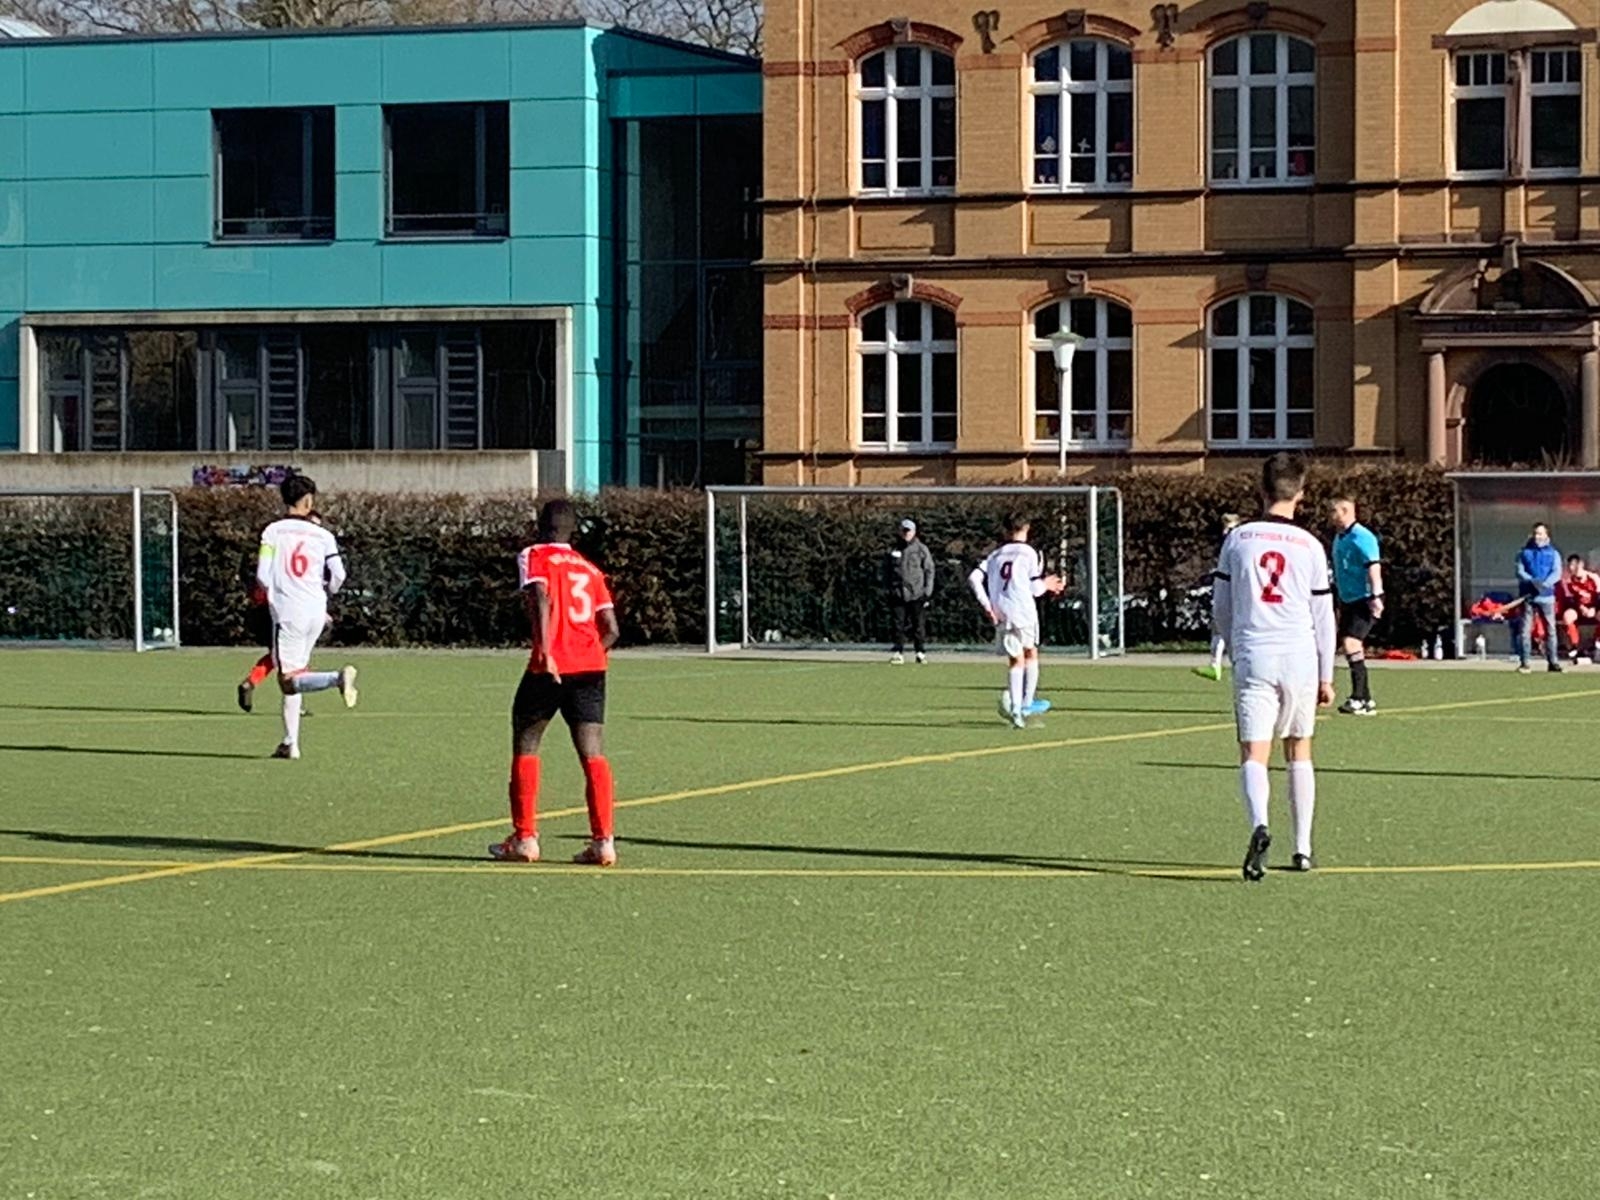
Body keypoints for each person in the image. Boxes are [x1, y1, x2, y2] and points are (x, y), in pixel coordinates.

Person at [1210, 453, 1336, 880]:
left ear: (1261, 490)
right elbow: (1323, 616)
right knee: (1299, 748)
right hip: (1299, 655)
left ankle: (1260, 825)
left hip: (1255, 652)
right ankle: (1303, 848)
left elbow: (1221, 607)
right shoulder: (1311, 545)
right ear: (1301, 494)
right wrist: (1326, 674)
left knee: (1254, 752)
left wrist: (1233, 648)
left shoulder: (1238, 539)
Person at [491, 498, 621, 867]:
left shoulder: (533, 554)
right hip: (591, 666)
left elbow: (541, 597)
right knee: (593, 753)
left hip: (549, 666)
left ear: (539, 524)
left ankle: (525, 838)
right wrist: (590, 654)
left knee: (527, 742)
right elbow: (612, 629)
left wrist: (547, 652)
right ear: (573, 530)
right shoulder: (590, 569)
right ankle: (604, 842)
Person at [255, 477, 357, 759]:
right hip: (316, 611)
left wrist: (276, 594)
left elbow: (263, 575)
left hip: (289, 612)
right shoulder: (323, 535)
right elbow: (339, 575)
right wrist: (324, 592)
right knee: (297, 671)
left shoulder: (273, 531)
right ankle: (290, 743)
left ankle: (337, 679)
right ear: (309, 501)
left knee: (287, 680)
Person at [968, 514, 1066, 729]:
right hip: (1023, 610)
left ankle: (1016, 709)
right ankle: (1025, 704)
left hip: (1002, 611)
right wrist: (1047, 584)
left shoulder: (995, 555)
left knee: (1015, 659)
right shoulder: (1030, 553)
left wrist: (987, 605)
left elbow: (974, 578)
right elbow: (1034, 589)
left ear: (1006, 530)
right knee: (1030, 652)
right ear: (1027, 528)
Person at [238, 510, 323, 713]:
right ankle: (294, 705)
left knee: (281, 656)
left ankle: (252, 682)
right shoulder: (290, 546)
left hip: (277, 606)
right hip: (277, 607)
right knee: (291, 658)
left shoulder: (286, 543)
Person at [1330, 496, 1385, 715]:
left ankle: (1358, 697)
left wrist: (1376, 596)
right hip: (1348, 599)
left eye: (1333, 511)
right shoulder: (1339, 537)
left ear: (1345, 511)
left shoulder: (1362, 537)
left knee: (1351, 643)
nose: (1330, 516)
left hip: (1365, 598)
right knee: (1349, 645)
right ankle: (1366, 699)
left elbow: (1373, 566)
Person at [1193, 513, 1243, 682]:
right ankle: (1217, 665)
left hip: (1233, 589)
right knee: (1221, 627)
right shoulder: (1239, 540)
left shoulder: (1232, 539)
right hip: (1235, 588)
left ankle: (1218, 665)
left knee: (1222, 626)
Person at [885, 517, 936, 664]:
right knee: (897, 625)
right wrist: (888, 589)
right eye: (904, 531)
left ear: (914, 532)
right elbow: (886, 571)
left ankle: (920, 652)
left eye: (908, 531)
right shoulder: (894, 549)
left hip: (917, 594)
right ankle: (898, 652)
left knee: (918, 625)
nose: (906, 533)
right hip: (898, 593)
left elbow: (929, 570)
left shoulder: (921, 549)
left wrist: (927, 592)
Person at [1515, 523, 1563, 674]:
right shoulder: (1524, 552)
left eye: (1541, 533)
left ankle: (1553, 662)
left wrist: (1544, 584)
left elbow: (1557, 573)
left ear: (1546, 535)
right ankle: (1525, 663)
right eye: (1536, 533)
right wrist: (1532, 582)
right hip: (1528, 597)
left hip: (1547, 597)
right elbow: (1520, 571)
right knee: (1525, 631)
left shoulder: (1554, 553)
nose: (1538, 536)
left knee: (1551, 630)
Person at [1557, 554, 1600, 664]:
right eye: (1569, 565)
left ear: (1580, 565)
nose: (1571, 568)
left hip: (1593, 607)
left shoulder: (1593, 578)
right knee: (1567, 617)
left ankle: (1597, 641)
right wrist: (1581, 608)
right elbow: (1571, 599)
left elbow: (1599, 597)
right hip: (1578, 608)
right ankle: (1574, 645)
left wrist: (1593, 608)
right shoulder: (1568, 581)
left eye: (1573, 565)